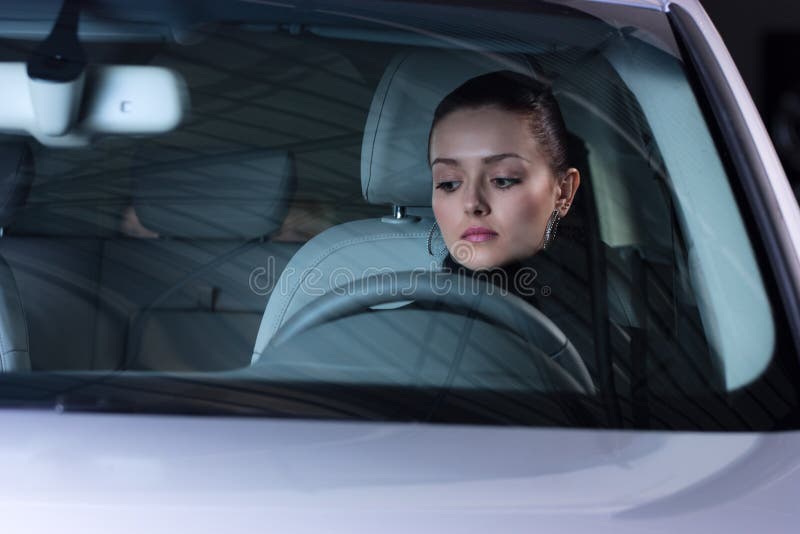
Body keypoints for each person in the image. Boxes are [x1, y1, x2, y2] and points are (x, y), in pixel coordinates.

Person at [427, 70, 580, 277]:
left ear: (564, 192)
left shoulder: (613, 290)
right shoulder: (401, 294)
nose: (472, 204)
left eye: (503, 180)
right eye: (449, 184)